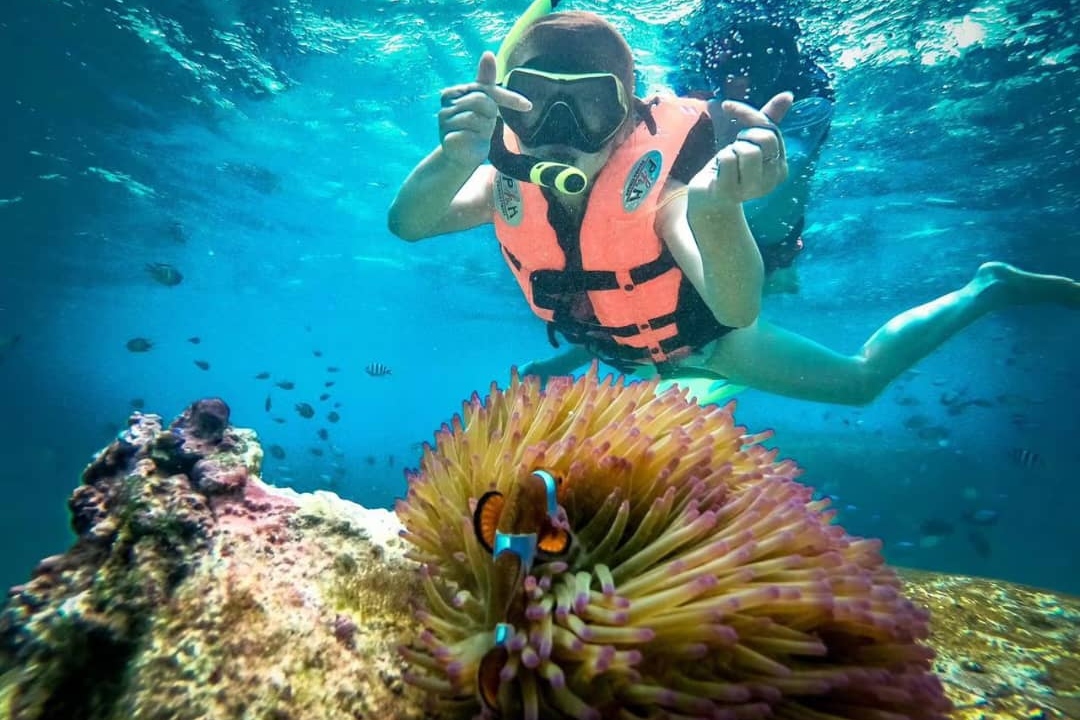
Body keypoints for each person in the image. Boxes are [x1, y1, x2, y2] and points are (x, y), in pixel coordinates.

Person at [388, 6, 1080, 407]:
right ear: (510, 107)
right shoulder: (505, 182)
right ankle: (584, 360)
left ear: (628, 115)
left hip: (712, 342)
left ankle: (988, 288)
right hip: (616, 342)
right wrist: (453, 160)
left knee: (860, 384)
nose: (562, 133)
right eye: (539, 105)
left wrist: (718, 207)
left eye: (590, 107)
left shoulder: (660, 190)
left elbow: (736, 308)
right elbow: (408, 224)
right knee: (604, 338)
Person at [670, 8, 836, 294]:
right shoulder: (697, 77)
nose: (731, 83)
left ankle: (779, 271)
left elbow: (784, 166)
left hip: (769, 244)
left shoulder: (808, 98)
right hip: (742, 240)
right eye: (719, 72)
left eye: (744, 69)